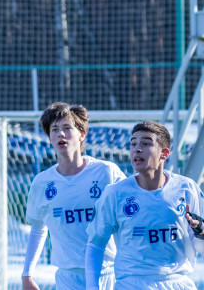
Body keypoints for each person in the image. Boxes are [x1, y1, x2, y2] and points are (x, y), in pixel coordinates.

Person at [86, 120, 204, 290]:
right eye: (133, 144)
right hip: (131, 284)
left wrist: (201, 230)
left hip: (178, 283)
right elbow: (95, 244)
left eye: (146, 143)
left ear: (164, 153)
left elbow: (200, 246)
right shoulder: (115, 194)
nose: (137, 149)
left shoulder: (187, 188)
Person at [21, 102, 125, 290]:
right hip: (67, 278)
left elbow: (128, 219)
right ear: (49, 137)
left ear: (82, 134)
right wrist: (27, 274)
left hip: (108, 274)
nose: (60, 134)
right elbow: (38, 228)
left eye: (67, 128)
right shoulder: (42, 182)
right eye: (54, 129)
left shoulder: (106, 172)